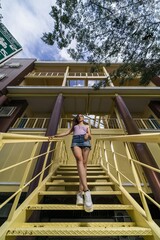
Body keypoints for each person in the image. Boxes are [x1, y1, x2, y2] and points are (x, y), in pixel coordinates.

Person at [54, 114, 93, 212]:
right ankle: (86, 191)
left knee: (84, 166)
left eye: (82, 116)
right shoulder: (74, 126)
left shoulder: (87, 126)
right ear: (77, 118)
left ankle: (80, 193)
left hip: (85, 141)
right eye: (78, 116)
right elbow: (67, 132)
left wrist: (87, 135)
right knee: (79, 161)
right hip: (75, 141)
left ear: (83, 118)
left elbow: (90, 136)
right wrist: (56, 135)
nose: (80, 117)